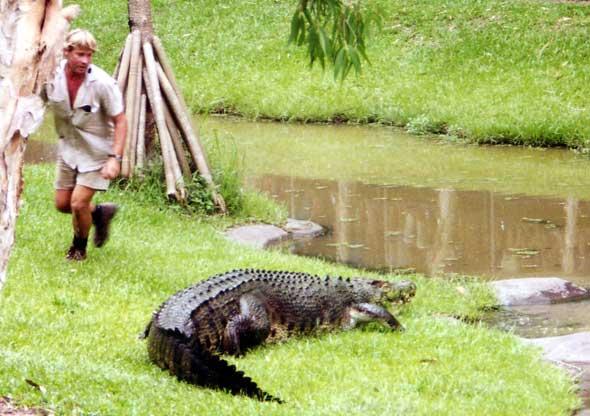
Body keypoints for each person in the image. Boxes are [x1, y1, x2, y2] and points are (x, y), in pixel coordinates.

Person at [43, 29, 127, 261]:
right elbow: (33, 101)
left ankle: (78, 249)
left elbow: (121, 121)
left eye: (89, 55)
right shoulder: (51, 77)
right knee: (63, 204)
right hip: (69, 147)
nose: (85, 60)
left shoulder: (102, 83)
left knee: (78, 203)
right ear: (66, 52)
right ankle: (100, 213)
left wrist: (115, 158)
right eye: (80, 54)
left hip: (97, 151)